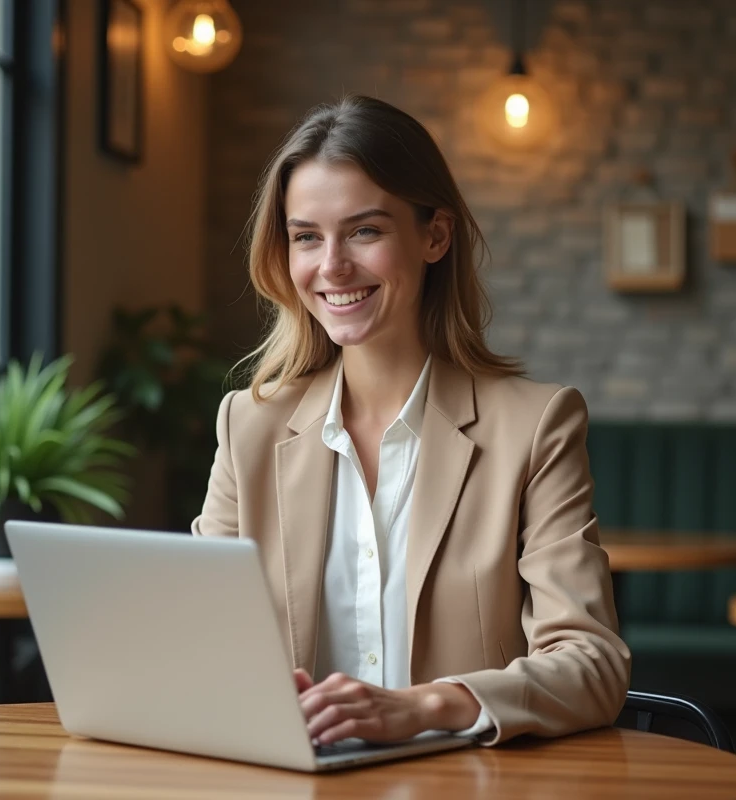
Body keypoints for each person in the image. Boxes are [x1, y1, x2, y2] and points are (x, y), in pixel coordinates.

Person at [192, 94, 629, 747]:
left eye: (365, 231)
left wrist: (424, 707)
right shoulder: (248, 426)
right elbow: (199, 641)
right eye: (306, 236)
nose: (331, 266)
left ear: (435, 236)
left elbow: (592, 666)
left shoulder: (535, 426)